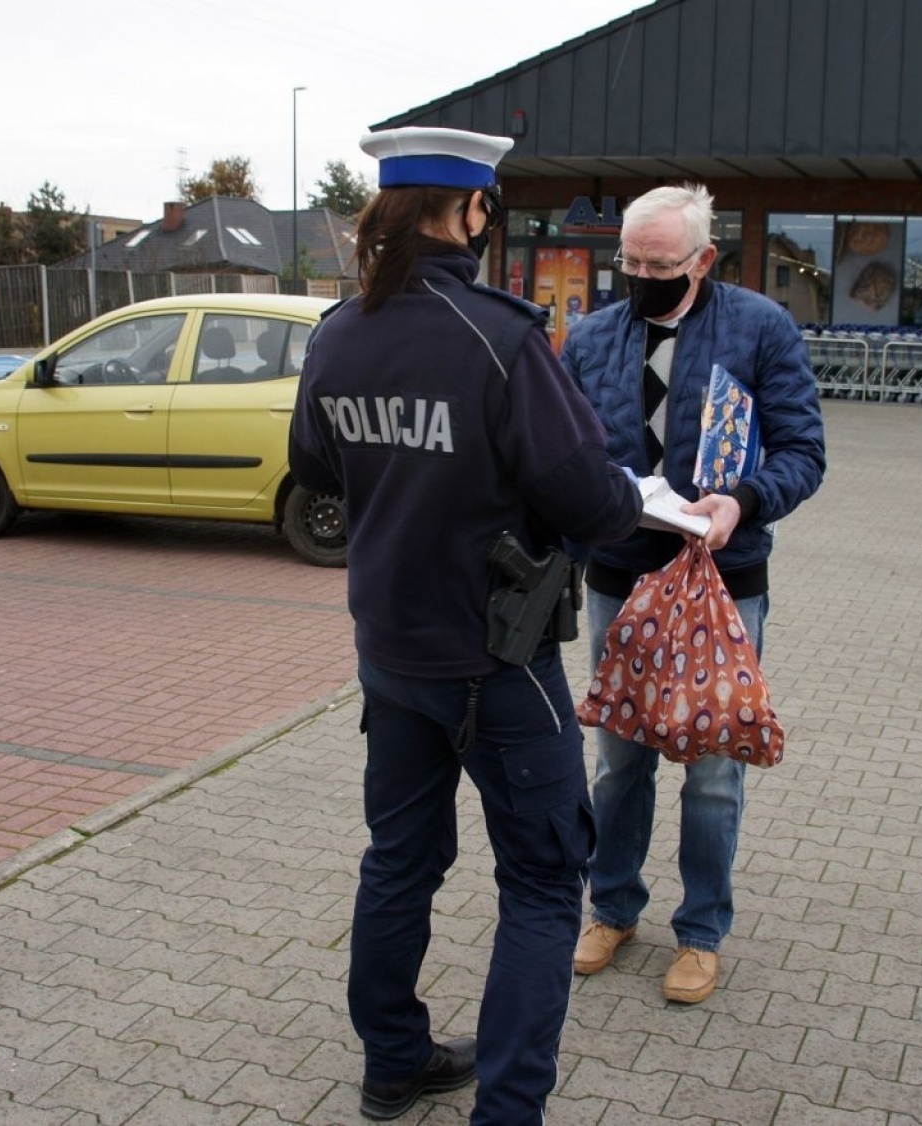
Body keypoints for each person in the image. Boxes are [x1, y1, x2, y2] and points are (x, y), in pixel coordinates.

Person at [287, 126, 642, 1124]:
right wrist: (633, 502)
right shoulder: (500, 335)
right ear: (471, 210)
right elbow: (590, 498)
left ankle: (393, 1063)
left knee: (399, 860)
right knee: (544, 880)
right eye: (489, 205)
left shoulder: (339, 332)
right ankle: (509, 1109)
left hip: (391, 653)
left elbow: (313, 468)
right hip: (499, 658)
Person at [560, 183, 826, 1004]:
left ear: (704, 259)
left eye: (660, 265)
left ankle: (702, 931)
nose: (641, 277)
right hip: (620, 575)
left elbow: (803, 450)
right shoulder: (592, 337)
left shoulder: (760, 329)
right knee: (620, 760)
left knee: (711, 767)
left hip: (722, 580)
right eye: (630, 263)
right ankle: (612, 907)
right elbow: (563, 452)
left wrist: (742, 501)